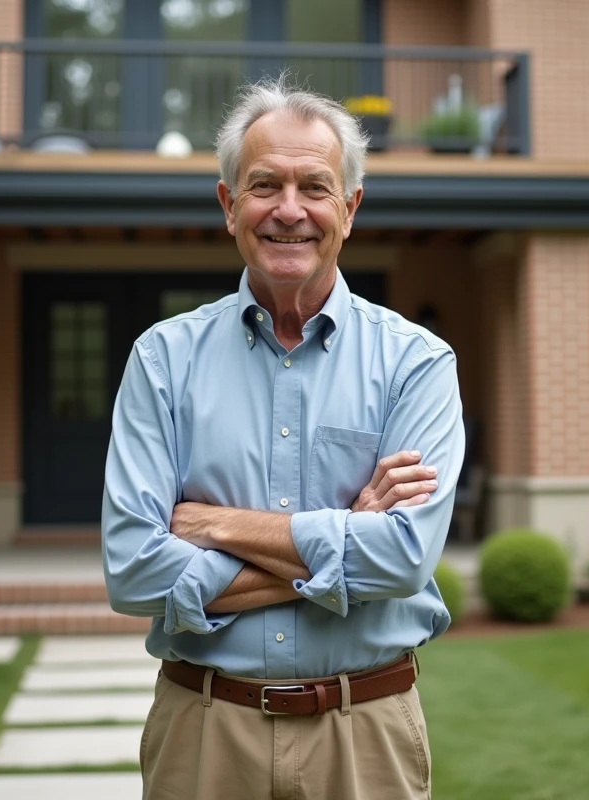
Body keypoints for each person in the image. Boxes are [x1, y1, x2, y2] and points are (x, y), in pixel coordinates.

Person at [101, 74, 465, 800]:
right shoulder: (162, 360)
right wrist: (343, 542)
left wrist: (218, 526)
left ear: (351, 208)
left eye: (315, 187)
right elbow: (133, 569)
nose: (289, 210)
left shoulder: (417, 363)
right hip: (204, 731)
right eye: (264, 185)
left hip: (365, 735)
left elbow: (401, 559)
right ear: (228, 205)